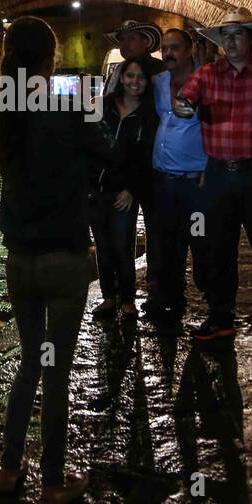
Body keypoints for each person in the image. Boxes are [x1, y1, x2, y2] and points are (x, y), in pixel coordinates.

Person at [0, 16, 112, 504]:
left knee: (29, 363)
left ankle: (8, 469)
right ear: (48, 60)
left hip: (20, 258)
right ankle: (53, 483)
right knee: (55, 372)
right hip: (63, 255)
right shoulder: (69, 109)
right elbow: (109, 155)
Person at [172, 8, 252, 349]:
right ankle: (220, 318)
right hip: (218, 175)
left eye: (237, 34)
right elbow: (184, 102)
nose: (230, 41)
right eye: (225, 35)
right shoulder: (207, 75)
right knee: (219, 250)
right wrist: (183, 107)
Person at [146, 28, 209, 333]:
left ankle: (214, 305)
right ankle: (170, 298)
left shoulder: (208, 80)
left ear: (190, 50)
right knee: (166, 242)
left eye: (175, 48)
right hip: (164, 178)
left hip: (196, 180)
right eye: (165, 49)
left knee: (202, 243)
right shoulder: (158, 83)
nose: (168, 53)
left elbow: (218, 123)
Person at [88, 57, 157, 320]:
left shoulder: (148, 115)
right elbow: (88, 145)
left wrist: (132, 190)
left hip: (124, 194)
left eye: (140, 77)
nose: (135, 82)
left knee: (121, 245)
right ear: (121, 78)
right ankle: (109, 297)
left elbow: (146, 158)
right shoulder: (104, 107)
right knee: (102, 248)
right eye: (130, 76)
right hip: (97, 191)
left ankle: (127, 300)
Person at [101, 19, 165, 95]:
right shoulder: (116, 74)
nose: (125, 44)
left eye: (131, 38)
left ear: (145, 41)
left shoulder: (161, 71)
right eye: (122, 39)